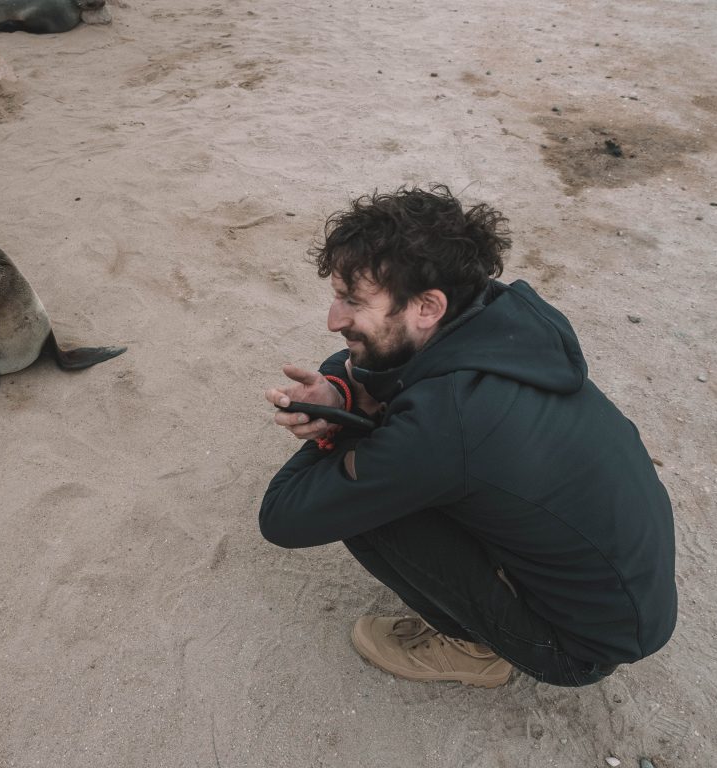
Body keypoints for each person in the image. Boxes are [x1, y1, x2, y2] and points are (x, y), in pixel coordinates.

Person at [260, 185, 677, 688]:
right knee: (387, 459)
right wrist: (343, 396)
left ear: (428, 307)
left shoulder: (447, 422)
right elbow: (381, 366)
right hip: (625, 597)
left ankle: (477, 650)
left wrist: (337, 431)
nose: (334, 320)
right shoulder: (499, 319)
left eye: (352, 301)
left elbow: (285, 516)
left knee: (365, 511)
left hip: (578, 646)